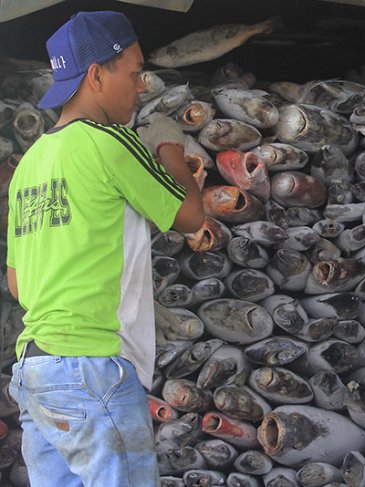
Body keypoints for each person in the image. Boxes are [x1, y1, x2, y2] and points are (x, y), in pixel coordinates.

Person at [6, 11, 204, 486]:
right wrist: (171, 152)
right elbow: (192, 218)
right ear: (97, 75)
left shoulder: (29, 165)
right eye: (134, 73)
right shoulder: (109, 140)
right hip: (92, 370)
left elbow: (17, 284)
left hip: (35, 372)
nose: (140, 87)